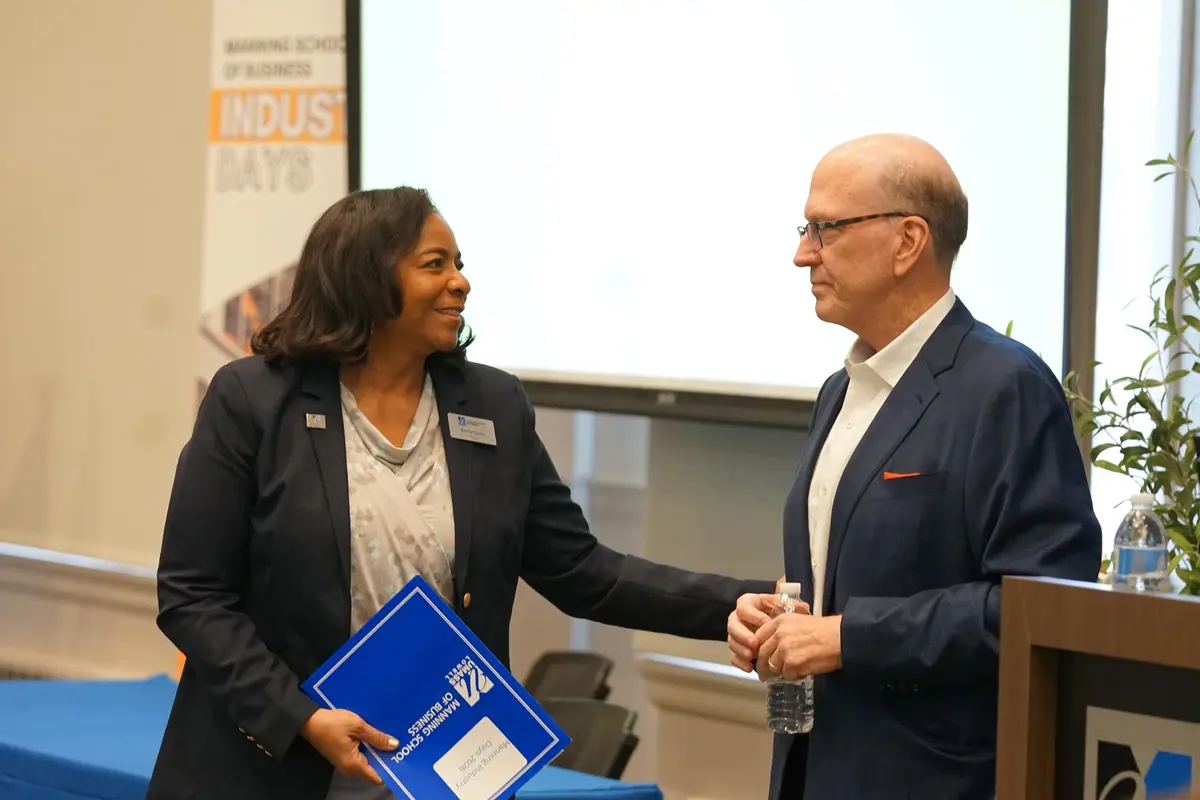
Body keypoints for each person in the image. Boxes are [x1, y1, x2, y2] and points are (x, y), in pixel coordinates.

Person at [148, 187, 776, 800]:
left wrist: (738, 603)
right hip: (270, 765)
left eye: (459, 264)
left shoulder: (494, 405)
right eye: (435, 264)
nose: (461, 282)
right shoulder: (255, 400)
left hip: (437, 769)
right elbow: (193, 595)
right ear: (365, 276)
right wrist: (302, 718)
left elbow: (581, 571)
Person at [726, 134, 1102, 799]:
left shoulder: (1005, 387)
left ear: (907, 242)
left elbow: (1038, 605)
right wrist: (773, 618)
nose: (803, 253)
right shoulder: (840, 391)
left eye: (826, 229)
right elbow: (851, 579)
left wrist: (847, 637)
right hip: (812, 770)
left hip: (930, 779)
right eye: (804, 229)